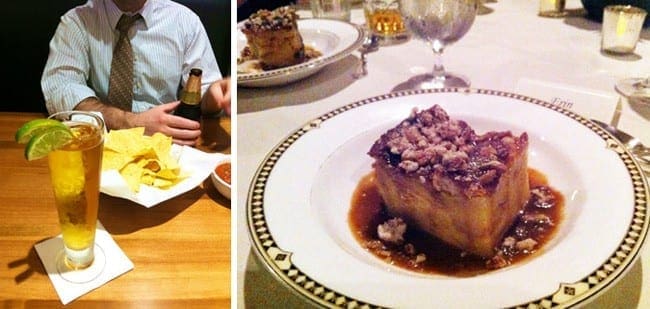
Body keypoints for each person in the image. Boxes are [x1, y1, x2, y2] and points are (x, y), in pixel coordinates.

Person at [41, 0, 231, 146]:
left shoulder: (185, 22)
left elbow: (204, 95)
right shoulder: (76, 22)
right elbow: (60, 87)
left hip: (169, 144)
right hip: (99, 144)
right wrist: (131, 122)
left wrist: (214, 97)